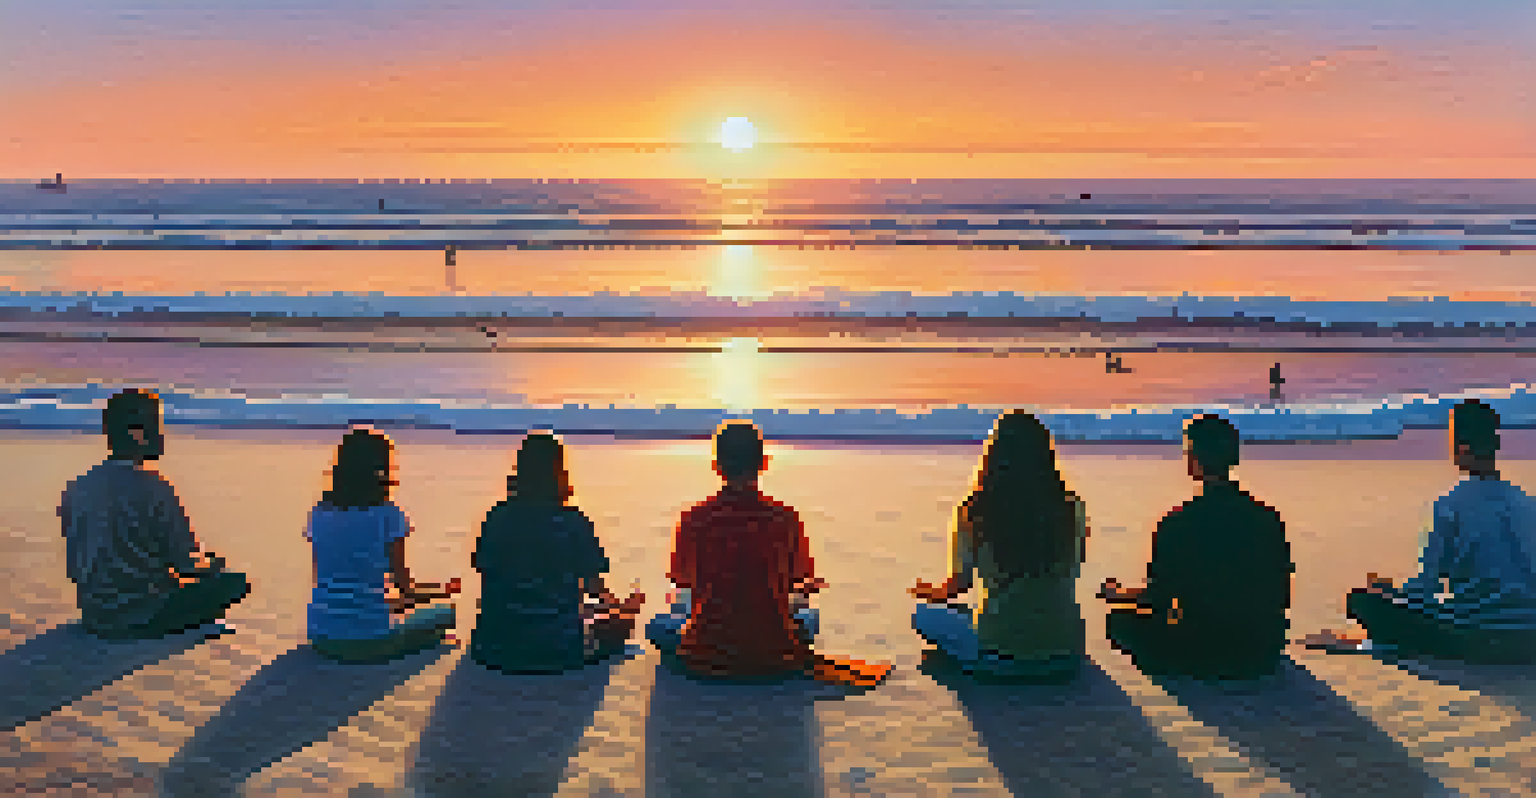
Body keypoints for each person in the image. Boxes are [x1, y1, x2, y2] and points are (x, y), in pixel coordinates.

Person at [1305, 400, 1536, 663]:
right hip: (1529, 631)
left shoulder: (1450, 504)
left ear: (1460, 448)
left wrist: (1392, 593)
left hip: (1476, 628)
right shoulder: (1527, 503)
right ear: (1496, 445)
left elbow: (1426, 587)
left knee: (1362, 601)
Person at [1100, 414, 1293, 680]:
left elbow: (1160, 600)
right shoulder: (1267, 517)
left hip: (1203, 648)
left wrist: (1122, 595)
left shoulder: (1178, 522)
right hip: (1262, 648)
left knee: (1119, 622)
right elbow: (1281, 590)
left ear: (1194, 461)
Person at [910, 411, 1090, 681]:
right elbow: (1073, 568)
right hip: (1066, 652)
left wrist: (932, 593)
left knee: (924, 616)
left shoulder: (976, 510)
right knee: (973, 613)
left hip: (1000, 653)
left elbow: (960, 584)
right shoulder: (1070, 508)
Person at [58, 389, 250, 639]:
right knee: (234, 582)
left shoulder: (77, 486)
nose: (162, 436)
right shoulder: (154, 485)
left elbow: (75, 566)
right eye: (157, 427)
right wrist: (211, 565)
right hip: (143, 611)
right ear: (138, 434)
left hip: (95, 611)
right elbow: (186, 565)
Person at [646, 421, 826, 681]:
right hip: (772, 651)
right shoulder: (785, 518)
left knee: (662, 623)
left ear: (717, 466)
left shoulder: (694, 519)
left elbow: (682, 578)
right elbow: (797, 579)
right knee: (808, 617)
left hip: (707, 650)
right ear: (763, 463)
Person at [470, 432, 645, 674]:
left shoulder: (497, 517)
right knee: (618, 624)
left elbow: (486, 572)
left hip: (493, 645)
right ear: (560, 473)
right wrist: (620, 608)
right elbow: (595, 588)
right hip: (557, 648)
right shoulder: (574, 521)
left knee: (582, 612)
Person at [305, 428, 458, 664]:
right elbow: (404, 587)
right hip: (371, 640)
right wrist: (437, 591)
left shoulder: (319, 513)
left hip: (320, 634)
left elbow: (321, 579)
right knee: (445, 614)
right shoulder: (388, 515)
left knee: (392, 608)